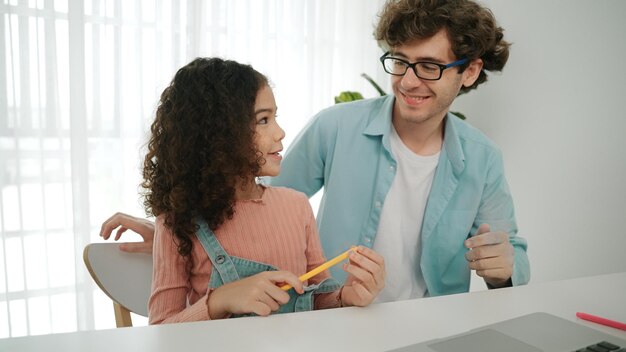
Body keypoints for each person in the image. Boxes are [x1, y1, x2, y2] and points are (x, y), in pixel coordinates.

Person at [102, 0, 529, 303]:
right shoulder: (337, 126)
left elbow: (512, 258)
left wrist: (506, 268)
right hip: (337, 317)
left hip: (430, 330)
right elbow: (251, 206)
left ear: (470, 71)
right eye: (400, 61)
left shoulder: (482, 157)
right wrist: (174, 235)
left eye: (430, 67)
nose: (409, 81)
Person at [135, 57, 384, 324]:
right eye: (263, 120)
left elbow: (319, 297)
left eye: (275, 117)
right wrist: (220, 300)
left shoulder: (297, 206)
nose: (280, 132)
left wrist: (347, 296)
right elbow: (161, 330)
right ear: (218, 133)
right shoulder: (176, 222)